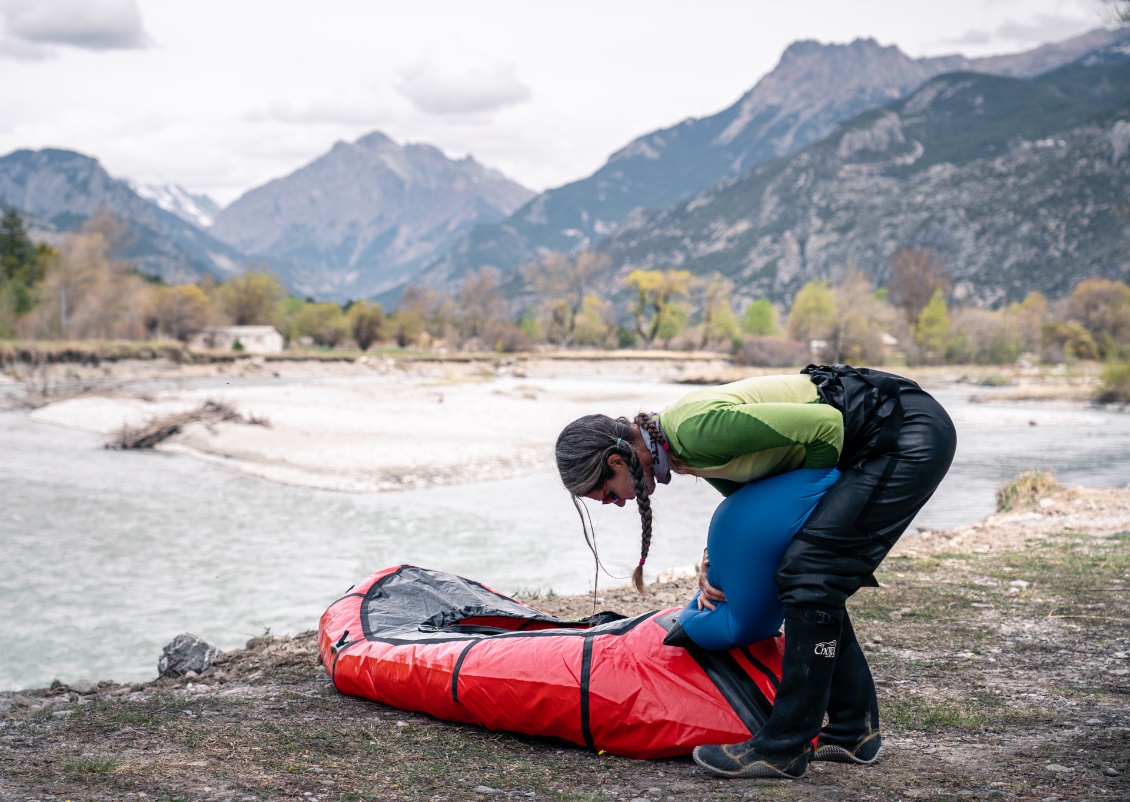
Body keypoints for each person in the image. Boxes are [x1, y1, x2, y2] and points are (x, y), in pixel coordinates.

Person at [554, 364, 957, 779]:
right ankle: (855, 732)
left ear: (617, 460)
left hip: (903, 432)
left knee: (811, 572)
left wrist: (814, 491)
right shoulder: (680, 451)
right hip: (880, 435)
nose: (613, 503)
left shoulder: (694, 431)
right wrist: (717, 560)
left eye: (604, 492)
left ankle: (783, 747)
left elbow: (826, 426)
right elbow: (750, 503)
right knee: (812, 572)